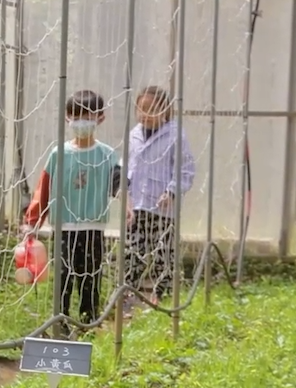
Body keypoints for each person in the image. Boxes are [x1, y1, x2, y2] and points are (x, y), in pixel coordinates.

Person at [22, 90, 120, 326]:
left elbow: (119, 184)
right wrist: (33, 221)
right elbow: (43, 189)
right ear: (67, 118)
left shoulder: (106, 155)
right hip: (64, 226)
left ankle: (89, 321)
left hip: (92, 227)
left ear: (100, 118)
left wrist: (127, 204)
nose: (81, 121)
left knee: (90, 275)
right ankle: (60, 321)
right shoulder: (59, 154)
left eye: (87, 115)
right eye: (76, 115)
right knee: (63, 276)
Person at [123, 85, 196, 307]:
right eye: (141, 109)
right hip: (136, 205)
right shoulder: (134, 135)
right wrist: (124, 194)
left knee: (163, 253)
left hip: (163, 206)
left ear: (165, 111)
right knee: (133, 251)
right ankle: (127, 295)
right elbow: (127, 166)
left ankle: (160, 296)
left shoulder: (175, 135)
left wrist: (171, 192)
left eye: (151, 109)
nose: (145, 114)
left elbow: (186, 169)